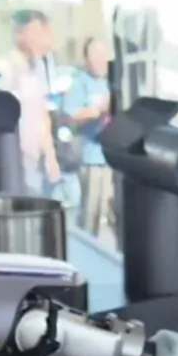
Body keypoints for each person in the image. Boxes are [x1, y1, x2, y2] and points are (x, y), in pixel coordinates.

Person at [0, 10, 60, 195]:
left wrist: (50, 156)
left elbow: (42, 115)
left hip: (35, 162)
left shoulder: (37, 69)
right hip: (12, 163)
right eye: (36, 33)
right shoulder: (5, 68)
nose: (42, 40)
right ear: (19, 34)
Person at [63, 38, 112, 236]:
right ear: (87, 59)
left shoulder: (110, 82)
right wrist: (98, 111)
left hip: (109, 157)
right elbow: (71, 114)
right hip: (90, 157)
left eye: (103, 55)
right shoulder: (80, 82)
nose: (100, 60)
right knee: (89, 212)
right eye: (95, 56)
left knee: (104, 211)